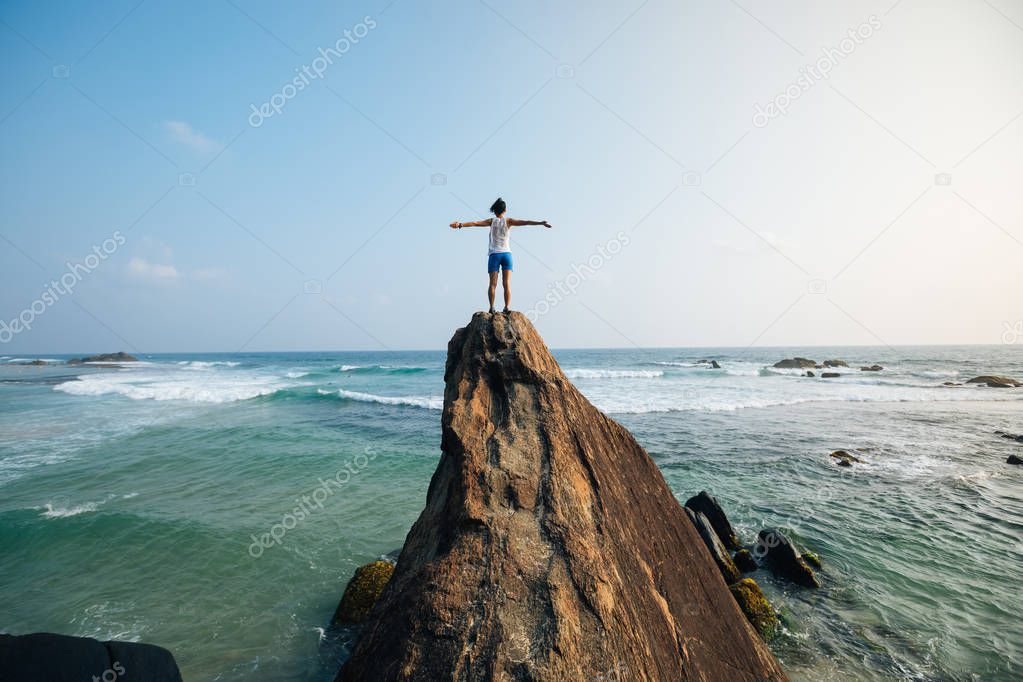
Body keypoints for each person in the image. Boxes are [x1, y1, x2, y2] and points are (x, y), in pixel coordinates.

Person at [450, 198, 551, 313]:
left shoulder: (491, 221)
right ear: (505, 210)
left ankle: (492, 307)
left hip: (494, 255)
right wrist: (541, 223)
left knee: (493, 284)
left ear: (494, 210)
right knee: (506, 283)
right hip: (507, 255)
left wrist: (460, 225)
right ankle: (507, 307)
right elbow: (525, 222)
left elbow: (475, 223)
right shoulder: (509, 221)